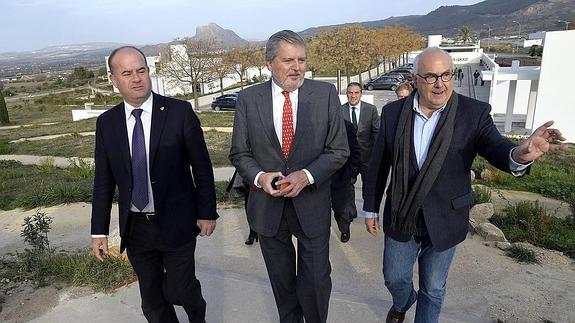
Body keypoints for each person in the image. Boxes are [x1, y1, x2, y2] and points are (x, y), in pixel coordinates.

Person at [363, 47, 564, 323]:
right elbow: (378, 163)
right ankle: (403, 301)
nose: (440, 84)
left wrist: (520, 154)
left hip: (446, 216)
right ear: (415, 79)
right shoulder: (392, 113)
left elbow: (496, 147)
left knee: (433, 288)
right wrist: (371, 208)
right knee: (394, 277)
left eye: (447, 75)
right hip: (402, 212)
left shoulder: (474, 113)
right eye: (431, 76)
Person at [91, 46, 218, 323]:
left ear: (148, 73)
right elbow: (103, 181)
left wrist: (207, 211)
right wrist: (98, 231)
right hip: (136, 227)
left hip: (176, 221)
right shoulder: (107, 123)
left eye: (141, 71)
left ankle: (198, 315)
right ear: (113, 79)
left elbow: (202, 166)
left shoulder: (178, 112)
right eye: (127, 73)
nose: (136, 78)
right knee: (152, 299)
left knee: (179, 289)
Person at [229, 30, 349, 323]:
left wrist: (306, 176)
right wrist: (260, 178)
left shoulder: (325, 95)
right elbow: (239, 153)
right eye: (288, 60)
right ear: (269, 63)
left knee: (317, 282)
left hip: (312, 205)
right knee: (283, 286)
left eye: (302, 60)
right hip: (268, 209)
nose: (297, 67)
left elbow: (339, 150)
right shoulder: (247, 99)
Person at [340, 82, 379, 203]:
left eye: (356, 93)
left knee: (369, 186)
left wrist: (376, 156)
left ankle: (368, 210)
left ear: (361, 94)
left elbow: (376, 133)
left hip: (367, 157)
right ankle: (349, 211)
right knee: (346, 187)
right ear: (346, 94)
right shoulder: (340, 111)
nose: (353, 96)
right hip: (348, 158)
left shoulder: (371, 109)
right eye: (350, 93)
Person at [330, 119, 361, 243]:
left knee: (342, 209)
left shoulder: (346, 126)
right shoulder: (315, 123)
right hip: (321, 178)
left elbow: (355, 152)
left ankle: (344, 229)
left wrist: (351, 173)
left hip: (342, 177)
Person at [226, 170, 258, 244]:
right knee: (249, 203)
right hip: (250, 171)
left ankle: (258, 232)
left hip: (267, 169)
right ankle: (252, 232)